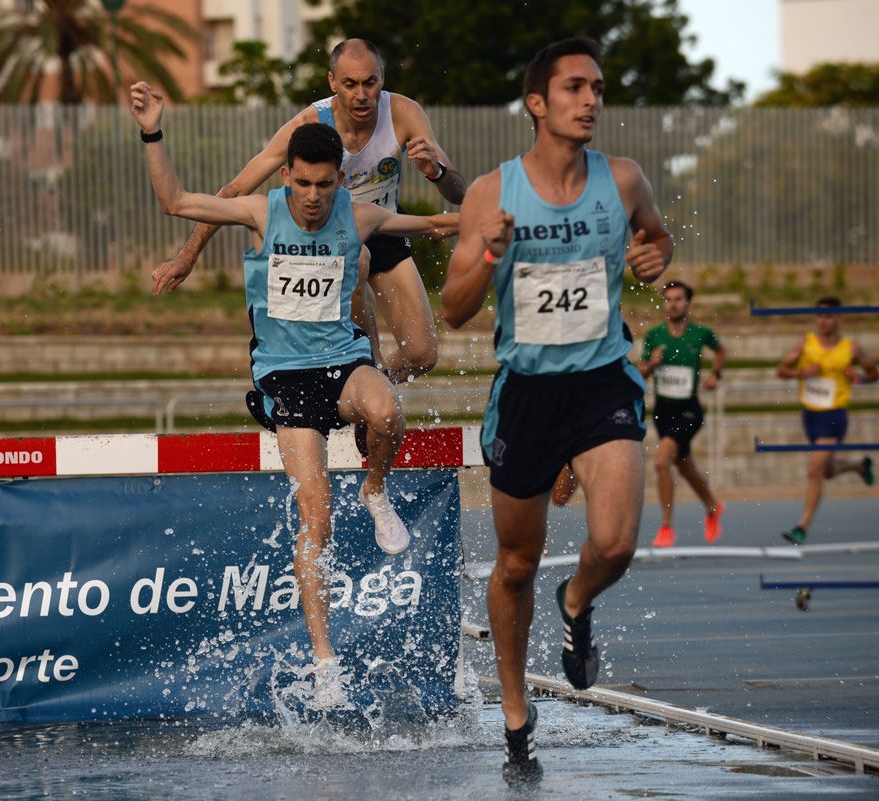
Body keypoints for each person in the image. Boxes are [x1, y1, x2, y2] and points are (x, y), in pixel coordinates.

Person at [130, 81, 459, 709]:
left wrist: (504, 212)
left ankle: (377, 488)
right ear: (288, 176)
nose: (312, 199)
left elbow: (440, 222)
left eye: (325, 185)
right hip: (284, 377)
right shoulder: (261, 211)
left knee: (387, 408)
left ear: (341, 179)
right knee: (317, 517)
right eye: (303, 185)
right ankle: (325, 659)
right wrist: (153, 131)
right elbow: (175, 201)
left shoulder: (359, 215)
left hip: (343, 362)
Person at [440, 37, 672, 786]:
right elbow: (454, 312)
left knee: (615, 541)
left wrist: (654, 256)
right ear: (537, 103)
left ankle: (576, 605)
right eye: (574, 87)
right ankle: (516, 717)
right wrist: (487, 257)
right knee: (515, 564)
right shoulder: (491, 194)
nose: (591, 100)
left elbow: (656, 238)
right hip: (528, 393)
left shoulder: (624, 179)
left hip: (603, 380)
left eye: (598, 87)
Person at [151, 38, 467, 389]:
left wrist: (436, 172)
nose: (361, 95)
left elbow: (458, 194)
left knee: (423, 355)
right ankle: (365, 372)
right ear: (332, 81)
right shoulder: (309, 125)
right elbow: (236, 190)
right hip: (330, 240)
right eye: (350, 84)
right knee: (356, 255)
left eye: (370, 83)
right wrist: (187, 255)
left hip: (384, 223)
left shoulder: (404, 114)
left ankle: (374, 387)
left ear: (383, 78)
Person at [776, 297, 877, 544]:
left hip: (834, 416)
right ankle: (860, 467)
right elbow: (781, 370)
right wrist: (803, 372)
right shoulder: (805, 343)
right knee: (827, 471)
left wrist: (859, 378)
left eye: (829, 316)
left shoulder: (851, 348)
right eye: (819, 315)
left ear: (839, 318)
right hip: (810, 416)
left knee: (813, 469)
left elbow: (874, 373)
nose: (823, 320)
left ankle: (802, 526)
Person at [636, 280, 726, 547]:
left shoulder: (700, 334)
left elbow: (720, 350)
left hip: (689, 409)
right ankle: (712, 506)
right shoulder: (654, 336)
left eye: (678, 299)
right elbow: (641, 371)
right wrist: (652, 363)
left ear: (687, 303)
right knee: (684, 467)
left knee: (662, 461)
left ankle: (666, 527)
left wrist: (715, 374)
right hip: (663, 411)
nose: (672, 304)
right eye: (668, 299)